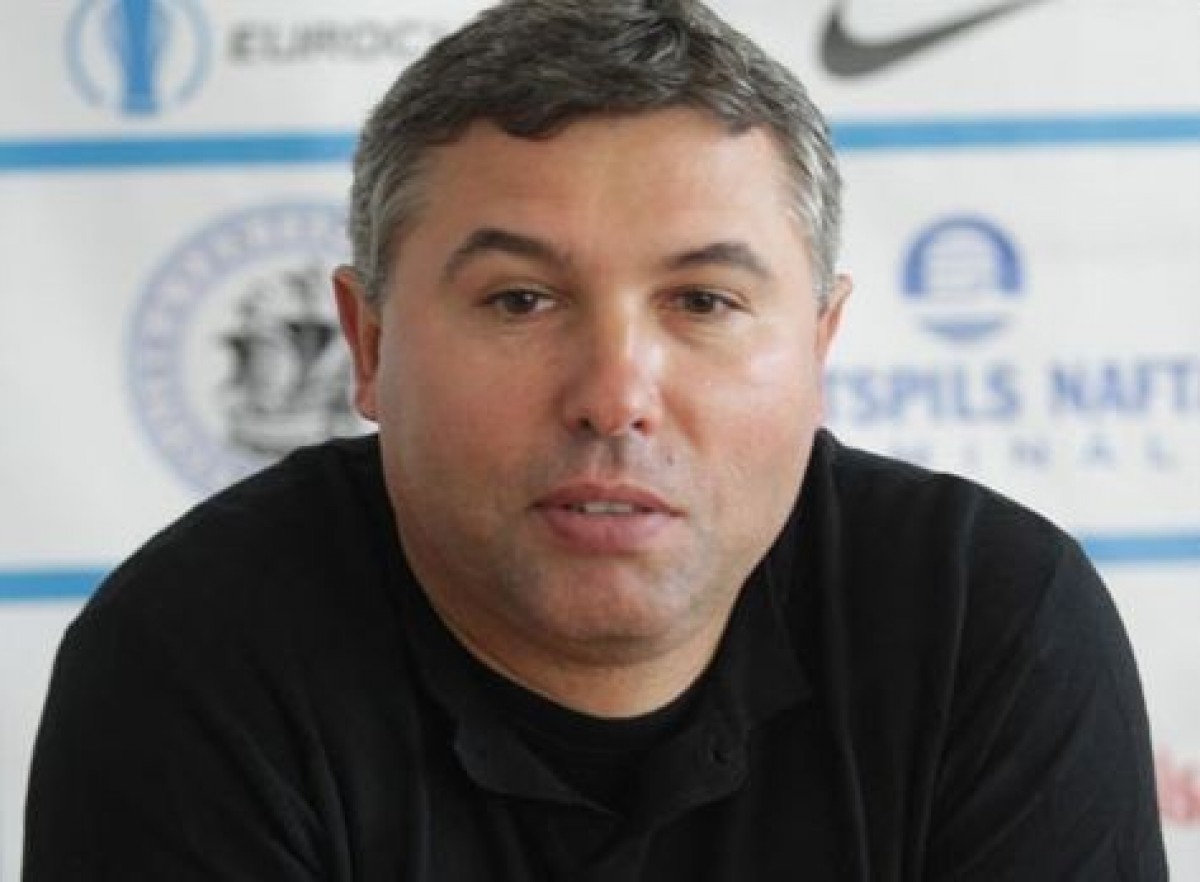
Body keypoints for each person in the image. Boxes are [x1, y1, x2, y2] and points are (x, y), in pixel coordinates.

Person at [24, 1, 1167, 879]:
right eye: (521, 300)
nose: (616, 396)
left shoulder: (985, 620)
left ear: (819, 348)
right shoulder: (196, 656)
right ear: (367, 343)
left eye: (703, 302)